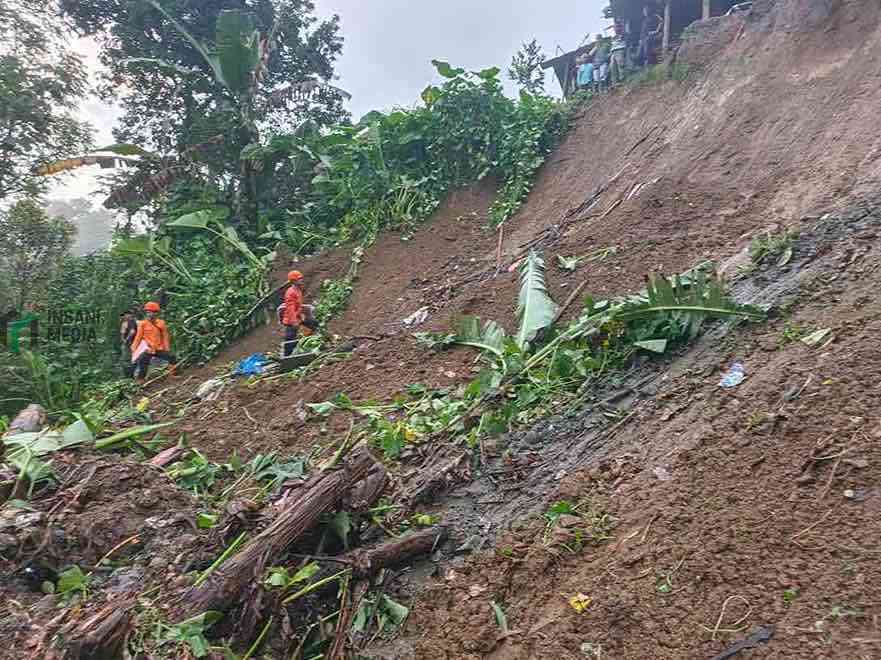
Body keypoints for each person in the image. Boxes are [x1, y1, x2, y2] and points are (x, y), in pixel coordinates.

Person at [131, 301, 178, 382]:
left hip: (159, 348)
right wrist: (134, 349)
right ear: (146, 313)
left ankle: (172, 374)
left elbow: (165, 336)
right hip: (148, 349)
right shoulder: (142, 324)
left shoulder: (161, 323)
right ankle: (140, 381)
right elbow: (138, 337)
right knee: (143, 362)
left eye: (153, 312)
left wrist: (166, 348)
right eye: (149, 312)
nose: (151, 314)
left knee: (172, 357)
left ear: (157, 313)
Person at [279, 270, 319, 357]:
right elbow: (290, 309)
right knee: (289, 339)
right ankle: (287, 357)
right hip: (291, 320)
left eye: (301, 278)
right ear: (293, 281)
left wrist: (302, 315)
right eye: (299, 279)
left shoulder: (298, 289)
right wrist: (294, 322)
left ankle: (313, 340)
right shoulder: (290, 293)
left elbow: (298, 305)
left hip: (299, 316)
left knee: (314, 323)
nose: (301, 280)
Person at [119, 310, 138, 378]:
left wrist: (126, 340)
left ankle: (131, 375)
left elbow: (132, 332)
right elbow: (122, 333)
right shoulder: (125, 323)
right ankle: (129, 375)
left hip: (131, 343)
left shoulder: (133, 322)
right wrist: (124, 340)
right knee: (130, 359)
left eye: (126, 315)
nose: (125, 316)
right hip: (131, 343)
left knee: (129, 359)